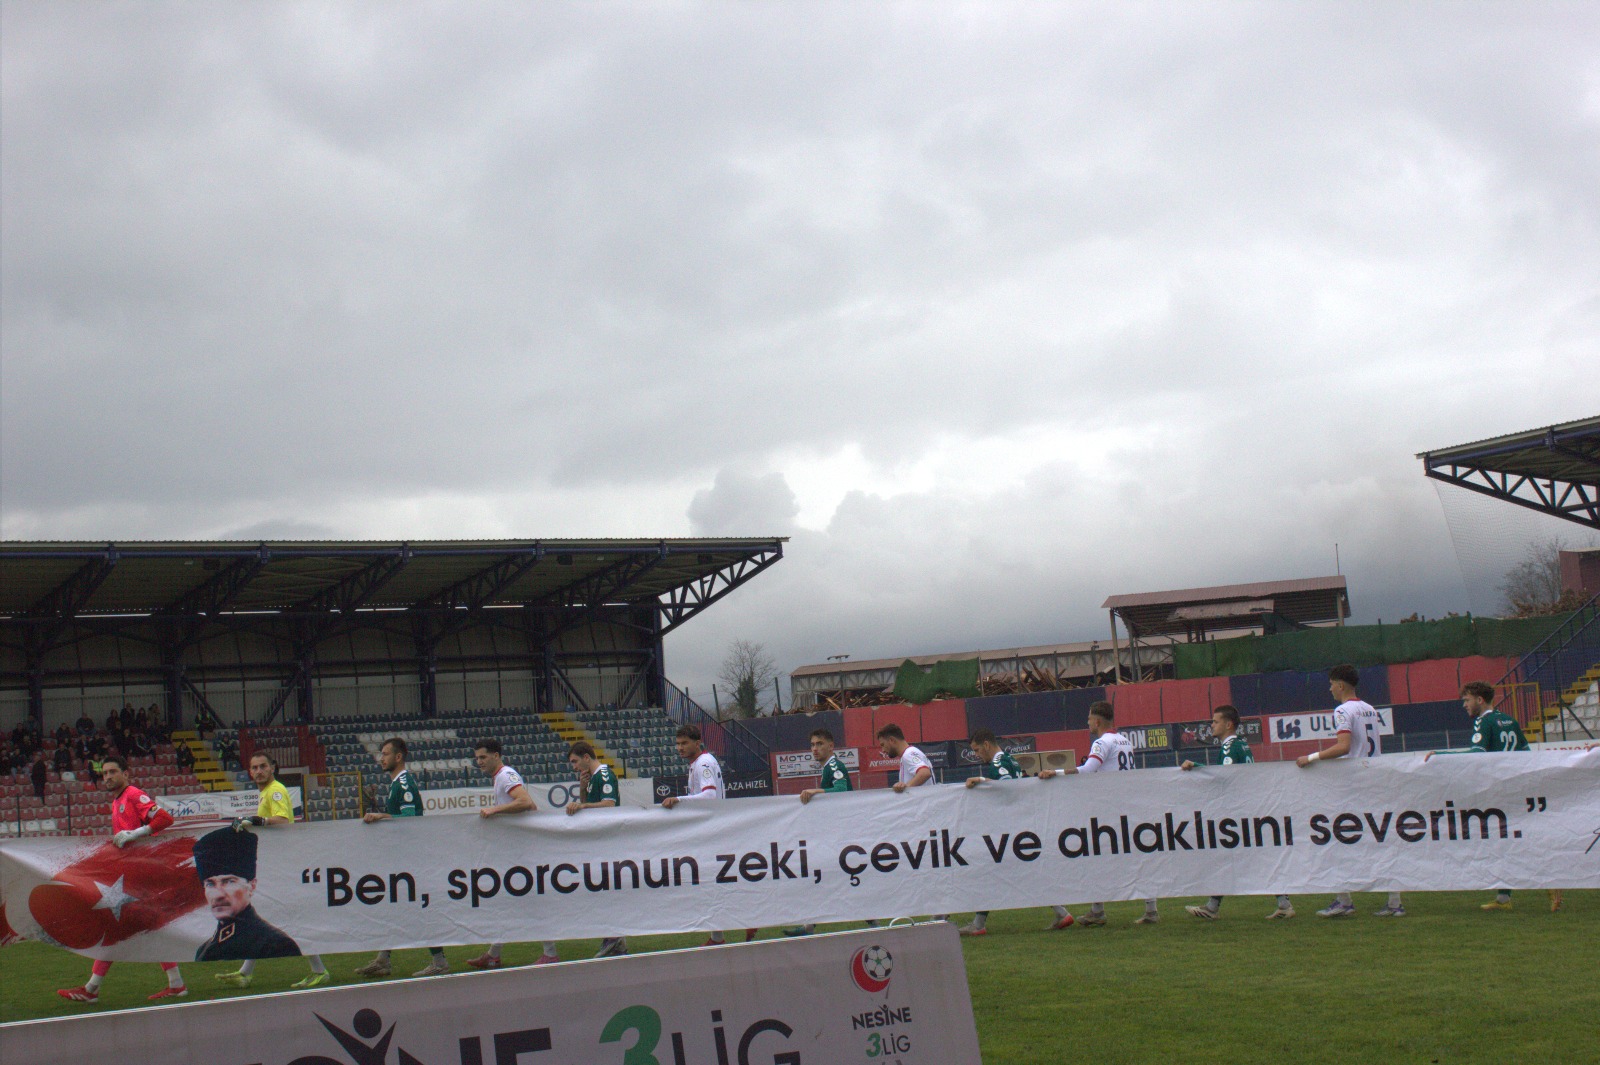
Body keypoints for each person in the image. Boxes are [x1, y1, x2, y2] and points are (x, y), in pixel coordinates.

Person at [55, 755, 187, 1003]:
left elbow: (165, 819)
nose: (108, 777)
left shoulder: (133, 794)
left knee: (116, 927)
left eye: (113, 772)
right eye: (105, 773)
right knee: (142, 928)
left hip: (142, 876)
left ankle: (92, 989)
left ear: (126, 774)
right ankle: (176, 984)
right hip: (134, 875)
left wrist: (136, 833)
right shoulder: (117, 801)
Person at [1424, 682, 1561, 912]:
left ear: (1479, 700)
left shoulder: (1483, 721)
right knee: (1507, 841)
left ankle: (1550, 882)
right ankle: (1505, 898)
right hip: (1516, 787)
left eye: (1467, 700)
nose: (1464, 705)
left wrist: (1442, 755)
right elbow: (1525, 753)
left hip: (1500, 791)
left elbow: (1476, 753)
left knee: (1508, 841)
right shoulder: (1509, 720)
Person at [1297, 664, 1403, 918]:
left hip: (1354, 783)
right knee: (1380, 838)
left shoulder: (1343, 710)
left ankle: (1344, 901)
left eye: (1331, 684)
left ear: (1341, 685)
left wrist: (1311, 757)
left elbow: (1343, 747)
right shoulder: (1369, 708)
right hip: (1373, 778)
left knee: (1334, 836)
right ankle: (1394, 902)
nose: (1330, 689)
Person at [213, 754, 328, 987]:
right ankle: (246, 972)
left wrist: (257, 821)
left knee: (289, 918)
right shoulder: (267, 792)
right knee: (264, 915)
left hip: (284, 864)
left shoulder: (275, 790)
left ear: (273, 768)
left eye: (263, 766)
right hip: (278, 864)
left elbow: (283, 820)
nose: (258, 771)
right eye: (254, 767)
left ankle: (319, 970)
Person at [1040, 701, 1159, 926]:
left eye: (1089, 719)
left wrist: (1056, 773)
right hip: (1128, 807)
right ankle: (1150, 909)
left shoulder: (1102, 742)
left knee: (1095, 856)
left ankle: (1098, 911)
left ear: (1096, 721)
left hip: (1109, 810)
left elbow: (1088, 770)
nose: (1087, 723)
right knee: (1136, 857)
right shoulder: (1125, 741)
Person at [1181, 706, 1295, 920]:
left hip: (1237, 813)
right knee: (1239, 856)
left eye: (1215, 721)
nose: (1212, 725)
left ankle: (1214, 907)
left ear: (1228, 724)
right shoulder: (1242, 744)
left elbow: (1226, 776)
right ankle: (1281, 904)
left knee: (1229, 856)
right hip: (1248, 809)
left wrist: (1196, 766)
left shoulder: (1229, 747)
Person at [959, 729, 1074, 935]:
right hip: (1019, 827)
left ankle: (977, 924)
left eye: (976, 750)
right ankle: (1061, 912)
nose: (976, 755)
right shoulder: (1011, 760)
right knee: (1023, 873)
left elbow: (1007, 788)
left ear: (986, 745)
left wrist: (981, 780)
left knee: (990, 871)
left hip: (1008, 830)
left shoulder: (998, 763)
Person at [354, 738, 449, 977]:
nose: (381, 758)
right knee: (392, 907)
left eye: (386, 754)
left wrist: (381, 817)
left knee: (417, 909)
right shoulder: (397, 783)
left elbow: (409, 822)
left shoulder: (404, 784)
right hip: (401, 858)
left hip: (411, 859)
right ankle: (383, 959)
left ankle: (438, 961)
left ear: (398, 757)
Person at [464, 740, 555, 971]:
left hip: (520, 853)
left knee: (529, 902)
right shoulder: (501, 777)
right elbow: (528, 806)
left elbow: (526, 802)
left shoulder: (505, 776)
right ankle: (493, 955)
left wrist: (495, 810)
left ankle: (550, 953)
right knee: (508, 902)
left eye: (483, 757)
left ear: (496, 755)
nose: (479, 762)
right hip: (514, 851)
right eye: (477, 758)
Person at [661, 725, 754, 945]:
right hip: (712, 829)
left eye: (684, 743)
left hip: (715, 830)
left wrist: (679, 800)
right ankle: (720, 935)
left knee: (717, 882)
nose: (680, 747)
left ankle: (748, 917)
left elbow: (709, 796)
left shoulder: (703, 763)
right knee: (715, 884)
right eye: (678, 743)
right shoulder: (699, 762)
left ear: (697, 742)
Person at [192, 827, 301, 961]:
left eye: (229, 881)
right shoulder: (203, 950)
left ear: (252, 886)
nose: (218, 895)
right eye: (210, 884)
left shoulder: (276, 945)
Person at [875, 723, 947, 922]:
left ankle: (939, 908)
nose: (883, 750)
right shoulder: (910, 755)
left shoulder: (909, 754)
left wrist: (906, 787)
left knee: (925, 864)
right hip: (926, 818)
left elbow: (923, 773)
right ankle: (939, 909)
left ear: (892, 740)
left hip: (926, 818)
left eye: (883, 745)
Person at [562, 741, 628, 957]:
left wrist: (582, 805)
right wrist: (582, 790)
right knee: (602, 889)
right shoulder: (592, 778)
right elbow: (588, 805)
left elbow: (609, 804)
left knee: (606, 889)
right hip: (599, 841)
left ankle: (614, 937)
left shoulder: (604, 775)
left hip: (608, 841)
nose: (574, 767)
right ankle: (615, 940)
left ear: (586, 757)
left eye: (575, 761)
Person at [786, 729, 854, 937]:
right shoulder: (827, 768)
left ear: (831, 746)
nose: (815, 749)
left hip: (843, 835)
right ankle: (809, 926)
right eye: (812, 744)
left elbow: (842, 790)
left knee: (821, 877)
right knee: (828, 878)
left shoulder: (834, 765)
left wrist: (817, 791)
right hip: (836, 834)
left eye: (820, 744)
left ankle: (809, 926)